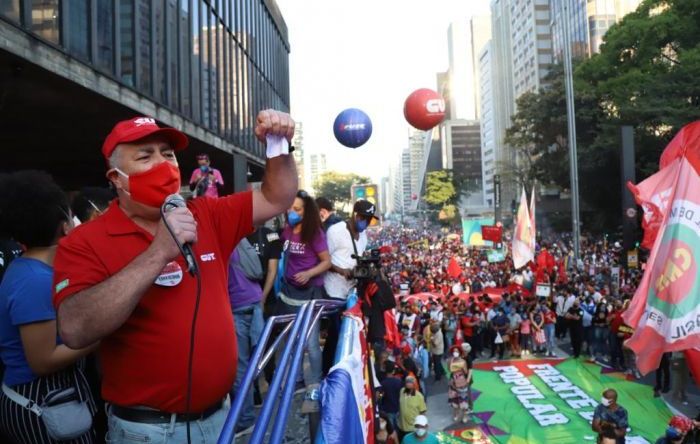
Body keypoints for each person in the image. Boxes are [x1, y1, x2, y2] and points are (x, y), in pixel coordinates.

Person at [53, 111, 298, 443]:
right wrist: (157, 253)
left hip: (221, 419)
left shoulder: (205, 214)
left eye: (167, 154)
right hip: (148, 432)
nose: (163, 163)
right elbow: (74, 329)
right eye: (145, 156)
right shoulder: (83, 242)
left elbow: (276, 197)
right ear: (117, 177)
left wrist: (277, 145)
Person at [0, 171, 98, 443]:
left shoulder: (28, 268)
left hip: (49, 401)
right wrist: (101, 333)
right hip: (41, 404)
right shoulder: (34, 281)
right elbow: (42, 361)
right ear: (65, 225)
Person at [278, 189, 331, 408]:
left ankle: (315, 384)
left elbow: (326, 261)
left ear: (306, 211)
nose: (292, 212)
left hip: (310, 293)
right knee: (292, 340)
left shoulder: (315, 233)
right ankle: (297, 380)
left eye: (297, 209)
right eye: (290, 208)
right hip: (290, 293)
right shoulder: (287, 230)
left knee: (311, 342)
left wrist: (309, 273)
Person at [226, 239, 266, 436]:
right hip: (254, 302)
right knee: (252, 362)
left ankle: (245, 419)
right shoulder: (239, 240)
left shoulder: (222, 245)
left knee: (240, 368)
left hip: (237, 308)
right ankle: (250, 408)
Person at [447, 345, 472, 424]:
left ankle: (464, 416)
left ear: (460, 352)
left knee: (463, 400)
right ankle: (456, 414)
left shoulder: (463, 361)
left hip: (462, 382)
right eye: (454, 351)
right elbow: (449, 370)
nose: (455, 353)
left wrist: (467, 379)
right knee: (454, 400)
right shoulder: (449, 361)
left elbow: (466, 372)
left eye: (457, 351)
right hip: (453, 382)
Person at [379, 361, 403, 431]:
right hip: (398, 408)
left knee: (392, 430)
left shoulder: (383, 383)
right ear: (393, 371)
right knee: (399, 427)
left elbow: (380, 396)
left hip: (388, 409)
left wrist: (380, 396)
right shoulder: (398, 381)